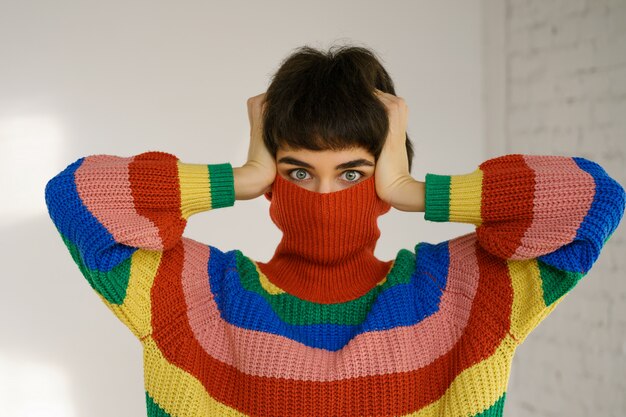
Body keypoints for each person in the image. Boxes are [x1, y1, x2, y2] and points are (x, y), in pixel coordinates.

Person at [44, 45, 626, 417]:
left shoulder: (464, 295)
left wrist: (412, 191)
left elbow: (594, 201)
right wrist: (240, 177)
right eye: (298, 170)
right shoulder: (195, 300)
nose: (324, 197)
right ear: (273, 179)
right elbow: (76, 197)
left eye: (353, 172)